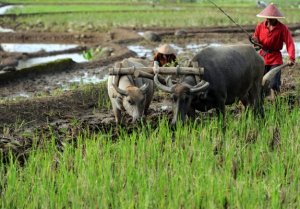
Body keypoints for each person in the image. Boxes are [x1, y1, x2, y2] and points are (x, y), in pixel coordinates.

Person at [252, 3, 295, 98]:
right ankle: (260, 102)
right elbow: (256, 45)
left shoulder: (282, 28)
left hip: (275, 59)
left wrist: (291, 57)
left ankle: (275, 103)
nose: (268, 20)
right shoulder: (260, 26)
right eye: (267, 17)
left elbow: (290, 43)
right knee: (259, 83)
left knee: (274, 84)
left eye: (271, 18)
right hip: (262, 58)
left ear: (276, 18)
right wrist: (255, 41)